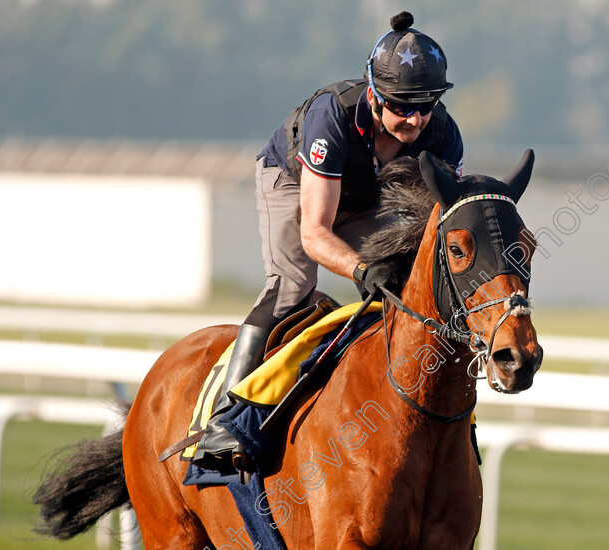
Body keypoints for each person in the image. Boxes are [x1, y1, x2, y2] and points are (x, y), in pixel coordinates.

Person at [194, 11, 464, 468]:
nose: (415, 119)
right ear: (375, 95)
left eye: (426, 104)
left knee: (407, 284)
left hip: (365, 195)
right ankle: (227, 419)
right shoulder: (332, 117)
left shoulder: (443, 135)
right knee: (292, 288)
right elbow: (316, 232)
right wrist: (362, 268)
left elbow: (437, 228)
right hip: (293, 181)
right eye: (400, 106)